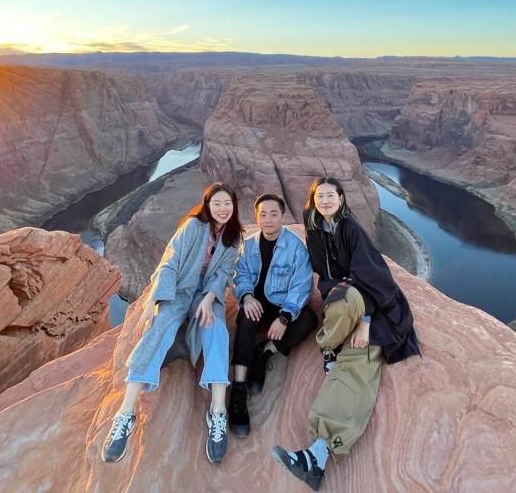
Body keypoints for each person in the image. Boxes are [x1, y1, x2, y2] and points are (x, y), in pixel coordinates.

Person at [272, 176, 420, 491]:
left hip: (378, 307)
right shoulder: (315, 232)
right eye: (320, 195)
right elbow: (323, 278)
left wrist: (366, 320)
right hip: (344, 304)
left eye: (331, 195)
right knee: (346, 338)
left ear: (341, 199)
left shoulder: (351, 229)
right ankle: (317, 456)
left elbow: (375, 276)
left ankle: (329, 351)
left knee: (360, 357)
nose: (325, 200)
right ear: (313, 201)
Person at [102, 182, 243, 465]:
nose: (222, 209)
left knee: (216, 332)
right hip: (179, 292)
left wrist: (210, 298)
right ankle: (126, 414)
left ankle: (217, 411)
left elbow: (225, 272)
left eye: (227, 203)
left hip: (206, 297)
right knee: (158, 328)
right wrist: (155, 303)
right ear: (207, 205)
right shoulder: (193, 227)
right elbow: (169, 263)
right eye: (217, 203)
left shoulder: (232, 237)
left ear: (234, 206)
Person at [228, 193, 319, 436]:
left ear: (282, 216)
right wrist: (246, 296)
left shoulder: (296, 247)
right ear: (256, 216)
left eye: (273, 214)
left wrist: (285, 317)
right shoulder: (248, 246)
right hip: (256, 304)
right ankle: (238, 389)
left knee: (309, 320)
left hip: (281, 305)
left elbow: (302, 286)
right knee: (246, 320)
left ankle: (265, 351)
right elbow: (241, 275)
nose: (268, 220)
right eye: (263, 214)